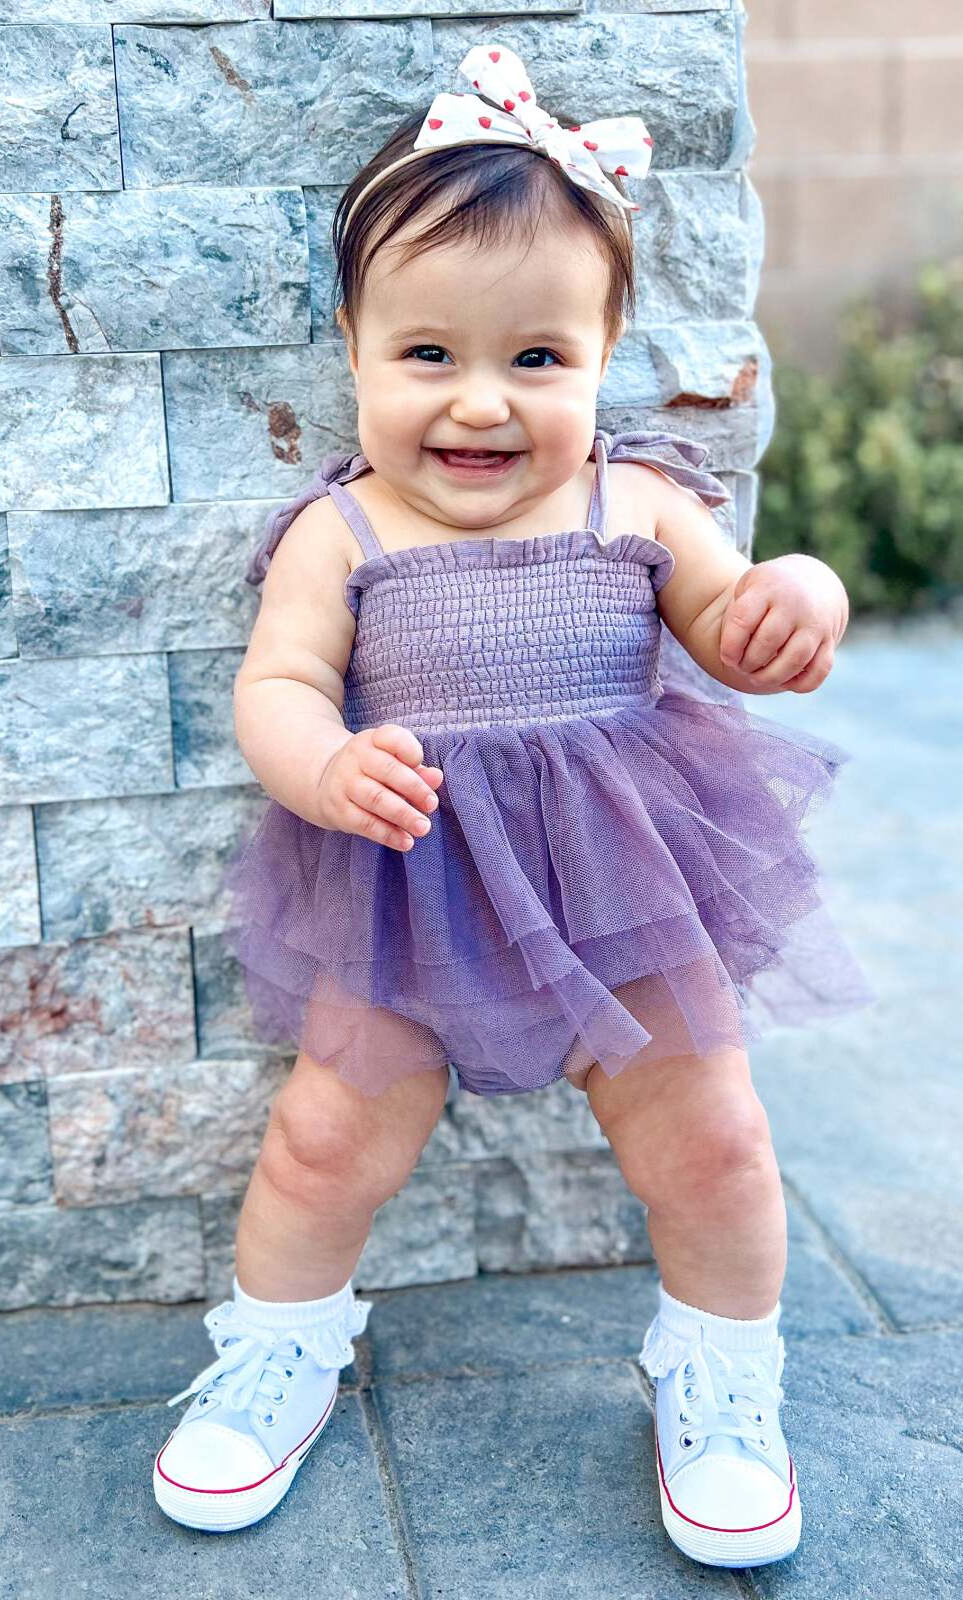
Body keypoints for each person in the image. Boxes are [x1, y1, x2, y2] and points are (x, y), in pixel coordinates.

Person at [153, 41, 877, 1568]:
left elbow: (734, 614)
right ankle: (281, 1349)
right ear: (353, 345)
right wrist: (321, 764)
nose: (481, 403)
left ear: (604, 350)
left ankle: (722, 1381)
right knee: (322, 1141)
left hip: (626, 891)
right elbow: (279, 684)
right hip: (408, 887)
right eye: (429, 354)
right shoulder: (341, 532)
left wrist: (797, 596)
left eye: (537, 359)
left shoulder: (639, 501)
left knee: (715, 1142)